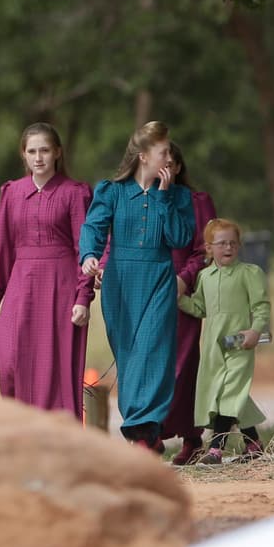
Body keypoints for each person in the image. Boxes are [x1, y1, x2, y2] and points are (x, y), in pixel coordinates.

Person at [80, 121, 194, 451]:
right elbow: (93, 228)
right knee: (129, 358)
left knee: (152, 352)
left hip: (158, 278)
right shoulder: (111, 191)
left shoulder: (178, 196)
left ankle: (141, 432)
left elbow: (179, 238)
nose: (169, 159)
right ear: (144, 157)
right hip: (119, 283)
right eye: (163, 153)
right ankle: (145, 434)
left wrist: (163, 197)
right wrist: (89, 255)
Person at [0, 123, 93, 418]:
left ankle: (59, 438)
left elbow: (84, 248)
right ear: (24, 155)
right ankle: (21, 430)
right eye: (32, 151)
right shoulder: (11, 192)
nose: (38, 157)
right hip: (21, 284)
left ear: (57, 152)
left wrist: (83, 297)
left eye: (44, 150)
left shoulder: (75, 192)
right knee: (10, 360)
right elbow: (3, 246)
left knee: (54, 366)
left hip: (61, 286)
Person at [177, 219, 269, 465]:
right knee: (227, 395)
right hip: (214, 347)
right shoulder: (205, 277)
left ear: (238, 246)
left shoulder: (249, 273)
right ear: (209, 248)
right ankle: (254, 445)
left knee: (229, 393)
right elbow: (199, 307)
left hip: (239, 342)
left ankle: (216, 448)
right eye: (221, 243)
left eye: (233, 243)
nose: (228, 247)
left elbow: (261, 308)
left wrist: (256, 330)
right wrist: (178, 299)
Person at [163, 143, 219, 465]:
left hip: (184, 291)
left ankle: (192, 437)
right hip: (148, 289)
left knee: (184, 365)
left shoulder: (198, 202)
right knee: (152, 364)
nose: (164, 171)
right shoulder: (142, 200)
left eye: (170, 164)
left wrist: (184, 279)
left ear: (179, 167)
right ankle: (151, 431)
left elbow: (204, 248)